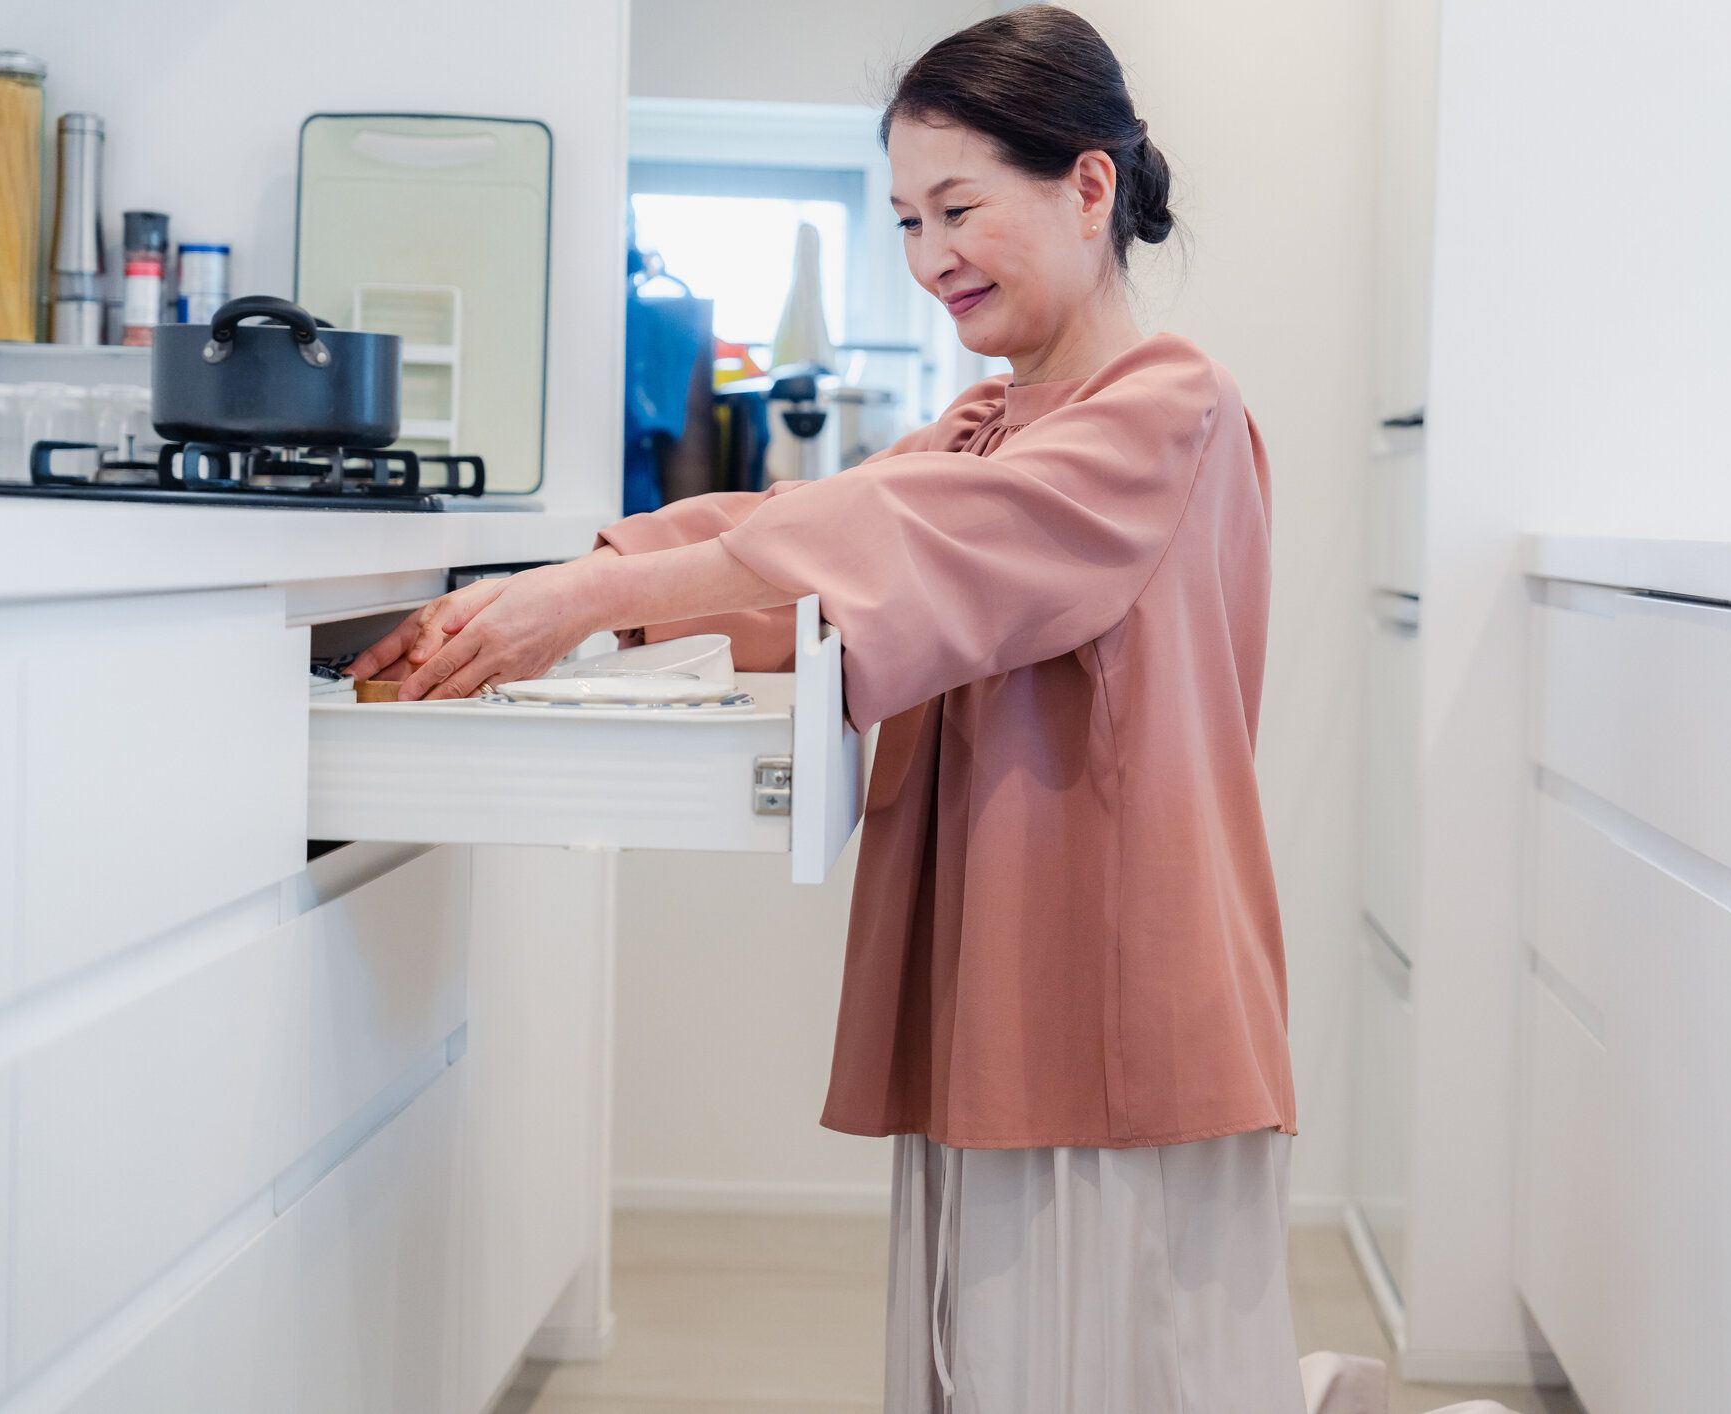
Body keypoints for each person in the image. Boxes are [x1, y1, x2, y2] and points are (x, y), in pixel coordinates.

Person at [348, 8, 1307, 1409]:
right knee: (998, 1366)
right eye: (908, 219)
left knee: (1114, 1369)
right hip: (1000, 984)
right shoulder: (986, 421)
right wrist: (570, 587)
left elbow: (892, 544)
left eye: (960, 208)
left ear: (1088, 186)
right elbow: (813, 524)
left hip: (1111, 996)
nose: (929, 258)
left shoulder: (1163, 406)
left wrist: (574, 604)